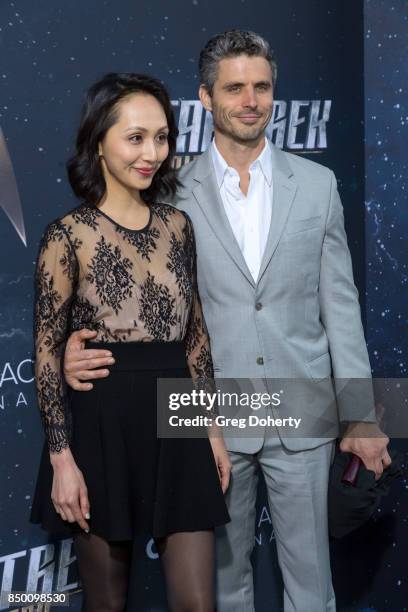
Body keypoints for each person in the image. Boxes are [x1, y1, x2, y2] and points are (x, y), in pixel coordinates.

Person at [63, 32, 391, 612]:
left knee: (313, 587)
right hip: (207, 410)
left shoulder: (317, 186)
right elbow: (127, 292)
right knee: (223, 587)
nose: (250, 100)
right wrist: (70, 347)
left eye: (261, 87)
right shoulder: (165, 189)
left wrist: (360, 414)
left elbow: (340, 308)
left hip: (302, 402)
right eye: (234, 87)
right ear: (206, 98)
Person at [30, 72, 231, 612]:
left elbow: (195, 337)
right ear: (99, 141)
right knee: (106, 603)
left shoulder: (178, 227)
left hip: (180, 416)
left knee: (197, 603)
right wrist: (61, 459)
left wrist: (211, 428)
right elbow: (47, 356)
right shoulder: (66, 236)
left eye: (162, 137)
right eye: (136, 137)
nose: (152, 153)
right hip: (101, 422)